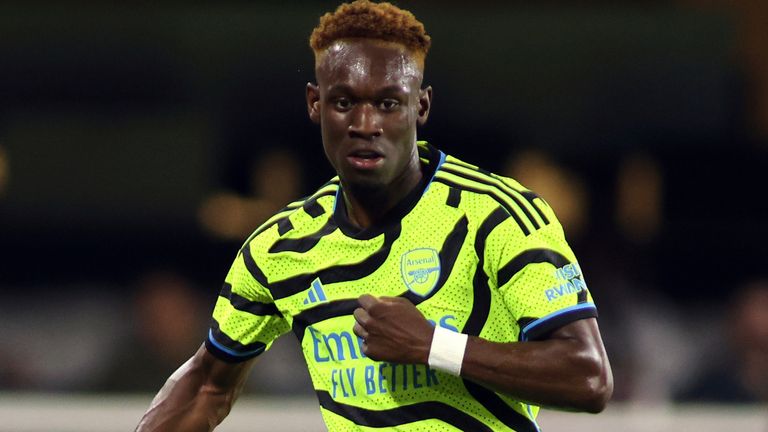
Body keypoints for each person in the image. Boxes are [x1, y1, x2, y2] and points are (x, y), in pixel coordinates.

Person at [136, 1, 613, 431]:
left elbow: (588, 377)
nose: (366, 125)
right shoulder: (280, 247)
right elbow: (207, 386)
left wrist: (433, 346)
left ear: (420, 106)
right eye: (345, 103)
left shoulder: (496, 215)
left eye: (387, 103)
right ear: (315, 103)